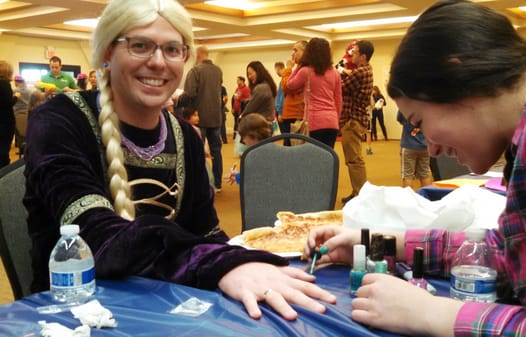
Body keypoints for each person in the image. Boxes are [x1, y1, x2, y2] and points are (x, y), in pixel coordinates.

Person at [24, 0, 335, 322]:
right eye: (140, 46)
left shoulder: (185, 134)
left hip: (171, 306)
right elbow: (95, 235)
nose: (158, 62)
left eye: (173, 49)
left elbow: (206, 234)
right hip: (72, 316)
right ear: (106, 54)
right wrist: (220, 264)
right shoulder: (60, 120)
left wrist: (246, 264)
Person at [306, 0, 526, 335]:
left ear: (458, 74)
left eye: (419, 121)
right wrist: (380, 241)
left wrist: (435, 314)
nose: (430, 146)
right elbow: (507, 254)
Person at [287, 37, 342, 149]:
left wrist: (298, 65)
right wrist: (336, 119)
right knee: (327, 158)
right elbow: (338, 100)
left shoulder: (305, 71)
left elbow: (290, 85)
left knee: (313, 160)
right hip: (332, 122)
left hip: (314, 122)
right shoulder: (335, 73)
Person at [184, 44, 224, 192]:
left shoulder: (195, 71)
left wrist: (176, 100)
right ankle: (218, 183)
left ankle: (202, 185)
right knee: (216, 152)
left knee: (197, 151)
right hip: (216, 117)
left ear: (198, 55)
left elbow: (189, 94)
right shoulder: (218, 71)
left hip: (198, 118)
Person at [339, 40, 374, 204]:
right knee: (354, 159)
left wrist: (338, 71)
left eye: (355, 51)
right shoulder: (366, 70)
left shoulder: (359, 72)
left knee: (354, 160)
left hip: (352, 120)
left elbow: (340, 87)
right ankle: (357, 192)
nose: (352, 54)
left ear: (363, 56)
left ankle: (360, 195)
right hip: (357, 119)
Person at [279, 41, 307, 146]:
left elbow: (286, 87)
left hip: (295, 115)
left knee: (291, 148)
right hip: (291, 114)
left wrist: (288, 69)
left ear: (305, 52)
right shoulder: (299, 69)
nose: (292, 53)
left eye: (296, 50)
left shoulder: (303, 70)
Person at [396, 110, 431, 189]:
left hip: (408, 146)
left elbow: (400, 120)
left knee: (407, 175)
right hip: (425, 146)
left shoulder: (404, 105)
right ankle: (429, 198)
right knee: (425, 174)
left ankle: (408, 200)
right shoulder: (427, 105)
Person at [0, 60, 15, 169]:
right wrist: (16, 97)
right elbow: (8, 103)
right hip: (5, 121)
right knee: (4, 148)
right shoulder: (5, 85)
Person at [12, 75, 32, 153]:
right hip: (27, 113)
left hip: (17, 114)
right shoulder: (29, 90)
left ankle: (22, 149)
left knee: (19, 134)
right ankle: (26, 150)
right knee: (26, 133)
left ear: (16, 82)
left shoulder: (14, 90)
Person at [231, 76, 251, 140]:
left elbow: (248, 100)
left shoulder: (246, 89)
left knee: (240, 123)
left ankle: (240, 137)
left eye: (238, 80)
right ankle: (235, 136)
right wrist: (233, 108)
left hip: (242, 110)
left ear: (242, 81)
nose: (237, 82)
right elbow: (234, 98)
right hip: (236, 109)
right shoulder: (237, 89)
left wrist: (239, 99)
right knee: (236, 123)